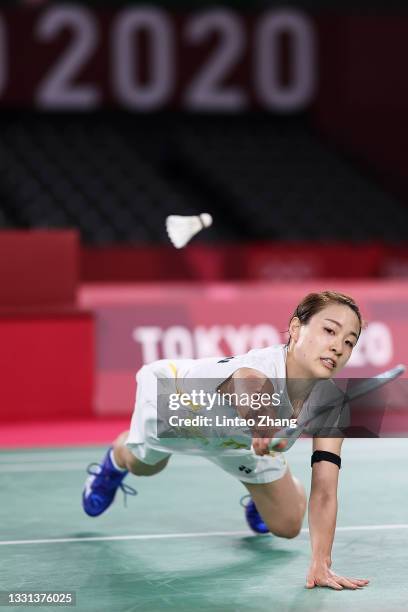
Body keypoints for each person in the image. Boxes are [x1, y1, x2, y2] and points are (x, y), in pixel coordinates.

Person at [82, 290, 369, 590]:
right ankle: (114, 462)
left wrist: (320, 563)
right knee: (142, 465)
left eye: (349, 342)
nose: (338, 347)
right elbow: (245, 382)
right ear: (296, 329)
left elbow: (324, 490)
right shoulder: (260, 369)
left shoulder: (331, 404)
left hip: (238, 444)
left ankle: (260, 496)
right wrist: (263, 427)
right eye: (329, 331)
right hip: (179, 410)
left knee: (287, 524)